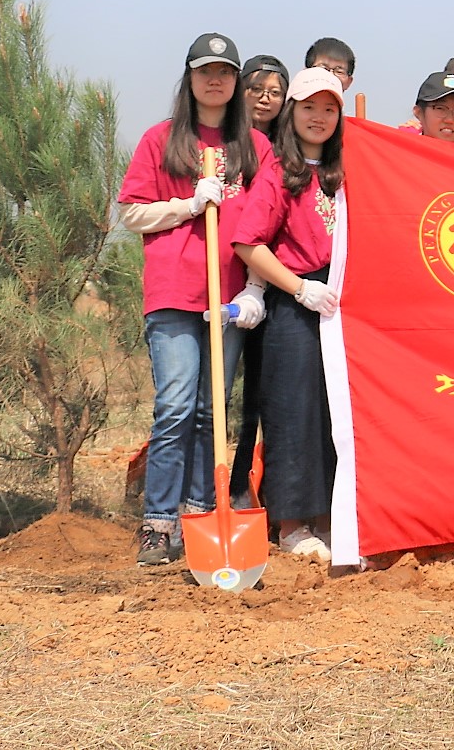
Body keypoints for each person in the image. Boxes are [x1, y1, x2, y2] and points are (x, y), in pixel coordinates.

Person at [118, 33, 272, 566]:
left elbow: (267, 221)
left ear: (236, 82)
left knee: (212, 411)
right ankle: (158, 524)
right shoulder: (161, 139)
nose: (215, 80)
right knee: (176, 407)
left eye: (225, 72)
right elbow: (131, 212)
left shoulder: (255, 147)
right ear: (189, 78)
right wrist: (186, 205)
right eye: (206, 71)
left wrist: (255, 288)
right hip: (174, 292)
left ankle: (201, 514)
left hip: (228, 297)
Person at [232, 66, 345, 563]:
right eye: (308, 107)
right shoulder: (280, 171)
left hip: (341, 303)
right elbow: (247, 243)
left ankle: (333, 519)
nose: (318, 117)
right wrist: (299, 288)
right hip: (296, 301)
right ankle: (293, 524)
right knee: (294, 411)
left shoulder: (348, 171)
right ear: (292, 112)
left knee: (334, 410)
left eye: (329, 108)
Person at [227, 53, 290, 507]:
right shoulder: (224, 144)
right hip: (226, 283)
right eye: (256, 90)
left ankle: (248, 489)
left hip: (274, 286)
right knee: (211, 399)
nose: (266, 99)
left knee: (261, 396)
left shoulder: (290, 147)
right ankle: (209, 492)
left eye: (275, 92)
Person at [240, 55, 289, 136]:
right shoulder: (224, 137)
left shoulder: (290, 140)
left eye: (275, 92)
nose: (264, 100)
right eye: (256, 89)